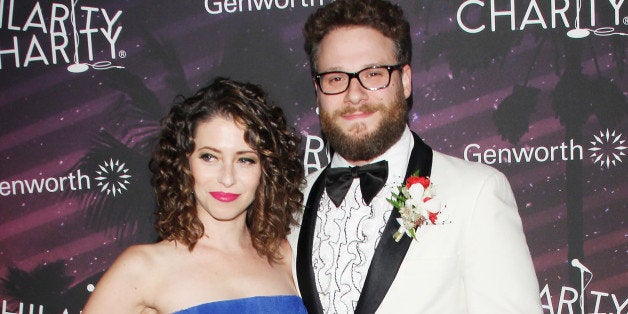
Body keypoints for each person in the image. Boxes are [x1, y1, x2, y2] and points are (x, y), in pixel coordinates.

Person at [287, 0, 543, 313]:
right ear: (318, 89)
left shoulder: (475, 193)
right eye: (336, 78)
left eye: (374, 73)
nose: (354, 95)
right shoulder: (290, 205)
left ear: (405, 81)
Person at [83, 78, 307, 313]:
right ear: (184, 163)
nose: (227, 178)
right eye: (209, 157)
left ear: (266, 169)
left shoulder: (285, 257)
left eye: (245, 159)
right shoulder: (144, 268)